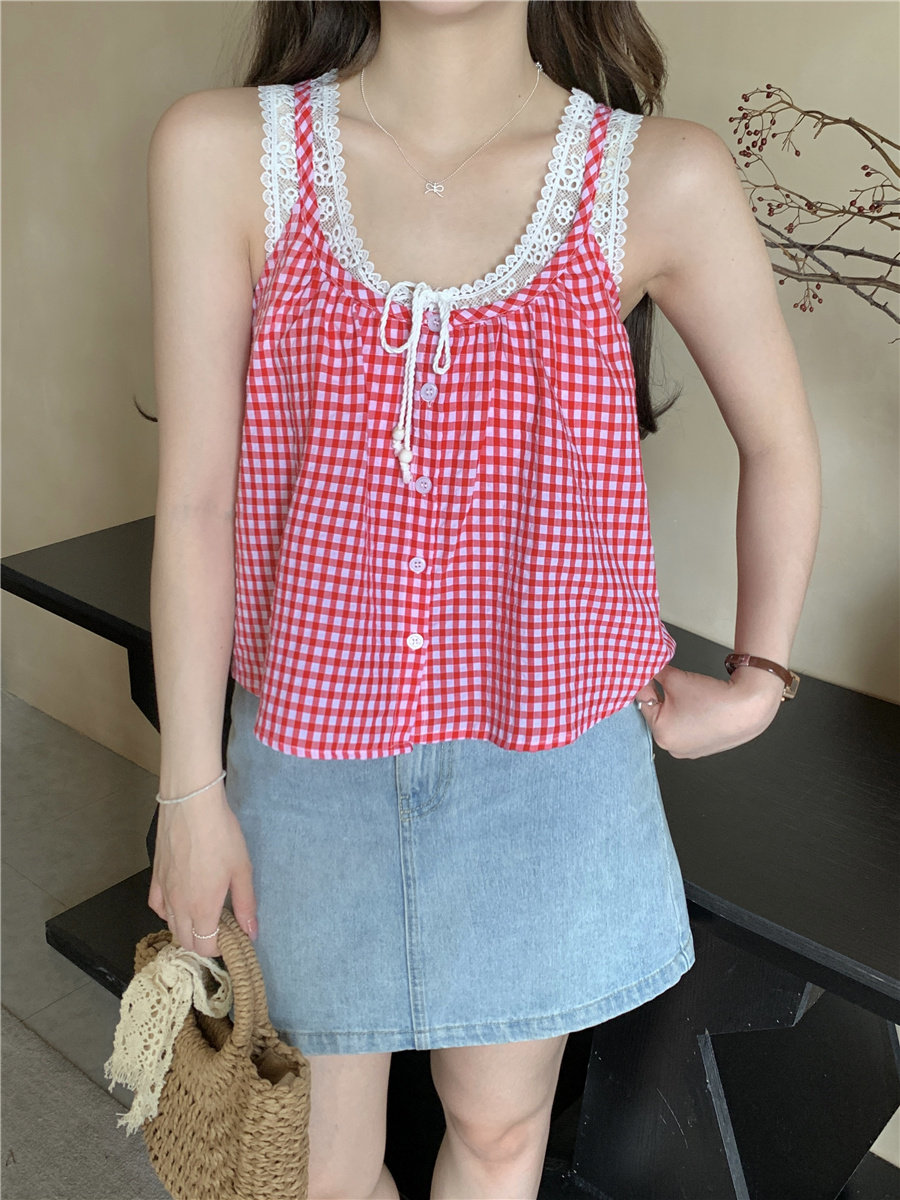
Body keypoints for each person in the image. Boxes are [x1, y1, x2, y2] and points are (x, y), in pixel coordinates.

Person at [146, 1, 821, 1197]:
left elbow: (779, 443)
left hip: (549, 765)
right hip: (305, 759)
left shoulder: (661, 178)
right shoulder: (222, 152)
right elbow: (196, 502)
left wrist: (760, 679)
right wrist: (189, 790)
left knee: (504, 1136)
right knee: (309, 1171)